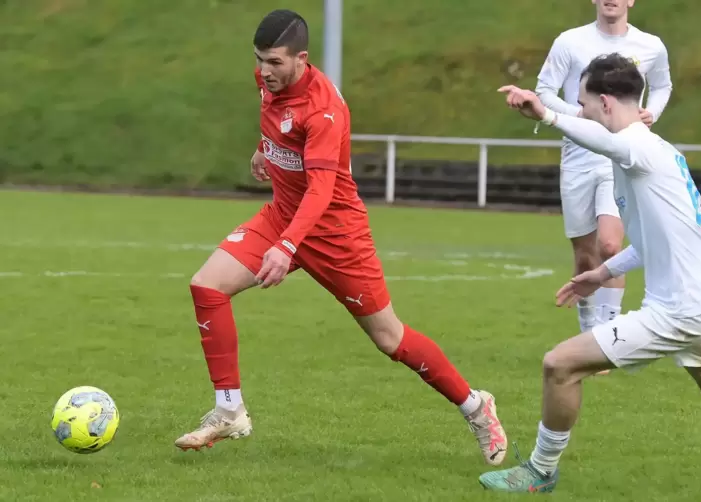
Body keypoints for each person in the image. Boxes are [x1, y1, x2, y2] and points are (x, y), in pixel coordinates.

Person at [174, 9, 508, 466]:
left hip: (335, 235)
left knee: (390, 338)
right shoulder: (268, 81)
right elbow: (276, 119)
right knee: (207, 285)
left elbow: (322, 189)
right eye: (260, 61)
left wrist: (286, 246)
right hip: (281, 215)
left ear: (302, 59)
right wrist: (263, 149)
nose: (264, 71)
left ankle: (475, 406)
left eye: (274, 62)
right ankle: (230, 409)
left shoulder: (324, 108)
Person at [480, 53, 701, 493]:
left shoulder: (637, 147)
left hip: (679, 309)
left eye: (585, 104)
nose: (583, 112)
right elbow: (649, 243)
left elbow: (596, 138)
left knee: (559, 365)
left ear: (607, 103)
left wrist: (546, 113)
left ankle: (539, 472)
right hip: (697, 298)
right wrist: (601, 272)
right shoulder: (655, 152)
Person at [536, 0, 673, 342]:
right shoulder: (570, 42)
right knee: (585, 258)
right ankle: (589, 337)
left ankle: (609, 337)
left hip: (621, 153)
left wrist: (651, 112)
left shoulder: (650, 45)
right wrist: (579, 116)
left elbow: (662, 85)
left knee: (610, 246)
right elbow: (543, 92)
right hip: (578, 156)